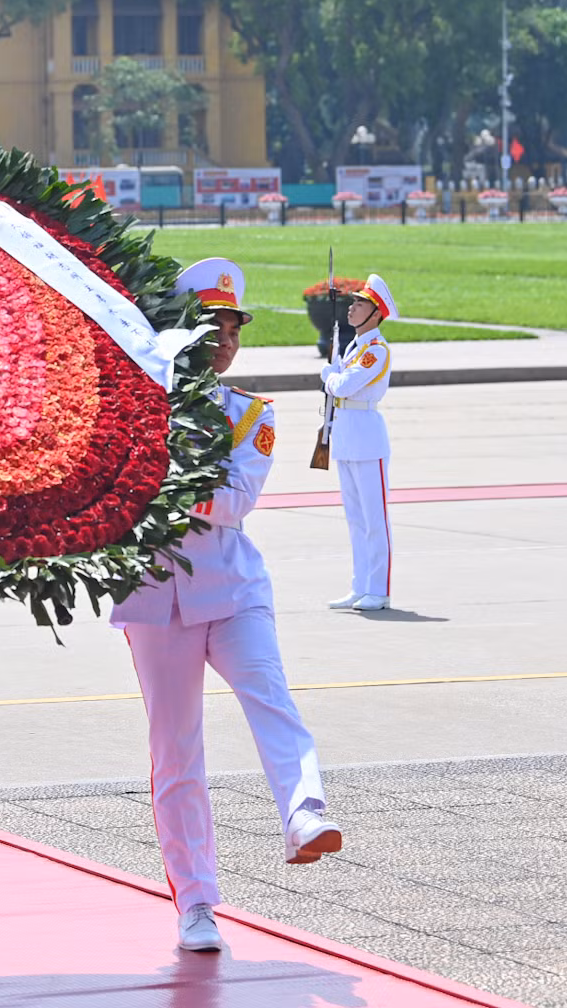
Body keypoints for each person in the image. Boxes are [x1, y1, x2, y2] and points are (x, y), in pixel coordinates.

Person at [112, 259, 342, 954]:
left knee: (270, 697)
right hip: (155, 600)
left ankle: (304, 812)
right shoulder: (134, 406)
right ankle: (195, 903)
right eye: (211, 328)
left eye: (234, 328)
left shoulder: (251, 414)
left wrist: (158, 479)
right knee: (175, 751)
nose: (225, 341)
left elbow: (234, 503)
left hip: (233, 591)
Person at [322, 274, 396, 612]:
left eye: (360, 304)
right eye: (352, 302)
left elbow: (344, 386)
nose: (352, 308)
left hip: (367, 438)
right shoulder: (355, 346)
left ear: (376, 313)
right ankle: (360, 586)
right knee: (355, 519)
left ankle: (378, 590)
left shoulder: (375, 351)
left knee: (374, 520)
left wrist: (329, 377)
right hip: (346, 435)